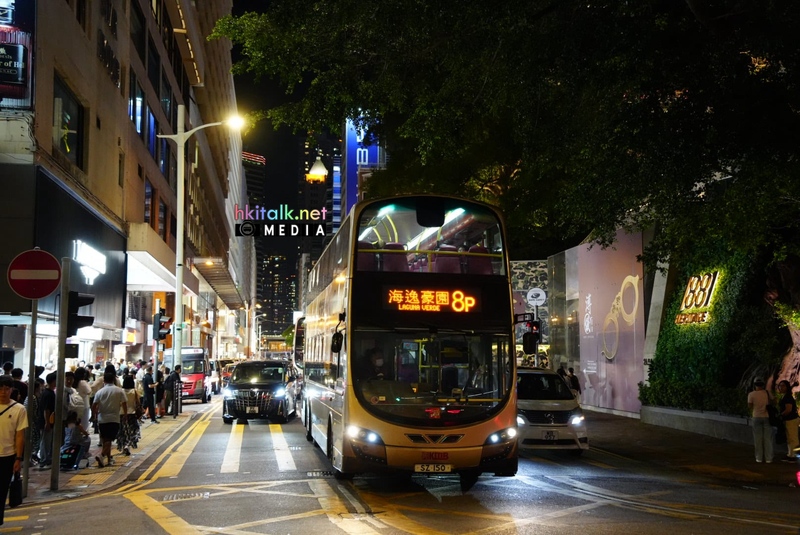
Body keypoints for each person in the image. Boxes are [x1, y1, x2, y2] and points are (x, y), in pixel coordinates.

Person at [0, 375, 28, 526]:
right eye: (1, 388)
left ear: (11, 390)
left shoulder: (19, 409)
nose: (3, 392)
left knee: (2, 491)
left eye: (6, 389)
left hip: (7, 457)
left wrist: (18, 458)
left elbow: (20, 436)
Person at [91, 372, 127, 468]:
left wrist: (93, 415)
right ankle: (101, 455)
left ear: (104, 381)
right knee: (109, 440)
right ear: (114, 380)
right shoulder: (119, 391)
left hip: (102, 419)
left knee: (105, 440)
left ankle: (109, 459)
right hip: (114, 418)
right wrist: (125, 415)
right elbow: (124, 403)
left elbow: (94, 405)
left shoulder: (100, 392)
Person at [747, 378, 773, 463]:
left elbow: (750, 406)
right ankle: (768, 458)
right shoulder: (767, 393)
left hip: (756, 416)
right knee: (767, 438)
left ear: (755, 385)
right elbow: (774, 401)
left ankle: (759, 458)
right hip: (767, 416)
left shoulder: (751, 394)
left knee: (757, 438)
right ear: (763, 384)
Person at [116, 375, 140, 456]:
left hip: (121, 413)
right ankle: (128, 445)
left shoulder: (120, 391)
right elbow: (138, 403)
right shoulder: (134, 391)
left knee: (122, 431)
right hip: (132, 414)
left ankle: (124, 446)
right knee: (132, 431)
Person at [37, 372, 57, 470]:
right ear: (53, 381)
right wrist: (47, 423)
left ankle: (45, 459)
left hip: (48, 421)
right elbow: (47, 410)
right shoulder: (48, 394)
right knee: (45, 441)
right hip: (47, 422)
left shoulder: (48, 392)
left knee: (46, 441)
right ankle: (44, 461)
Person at [777, 380, 799, 461]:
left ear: (787, 387)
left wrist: (781, 415)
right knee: (790, 438)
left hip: (791, 419)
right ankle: (790, 454)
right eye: (780, 386)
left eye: (783, 386)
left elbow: (788, 409)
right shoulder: (785, 396)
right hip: (789, 419)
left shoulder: (787, 397)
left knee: (793, 438)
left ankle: (794, 456)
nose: (781, 387)